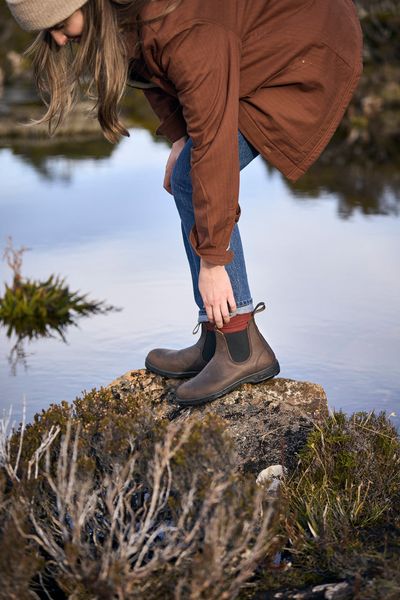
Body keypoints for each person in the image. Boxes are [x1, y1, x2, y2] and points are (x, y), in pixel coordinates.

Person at [6, 0, 363, 407]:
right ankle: (215, 337)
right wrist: (178, 136)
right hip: (251, 40)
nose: (57, 39)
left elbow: (213, 140)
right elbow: (148, 66)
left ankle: (241, 344)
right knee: (186, 174)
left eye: (57, 24)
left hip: (308, 42)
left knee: (194, 175)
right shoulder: (128, 13)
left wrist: (213, 261)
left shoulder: (186, 27)